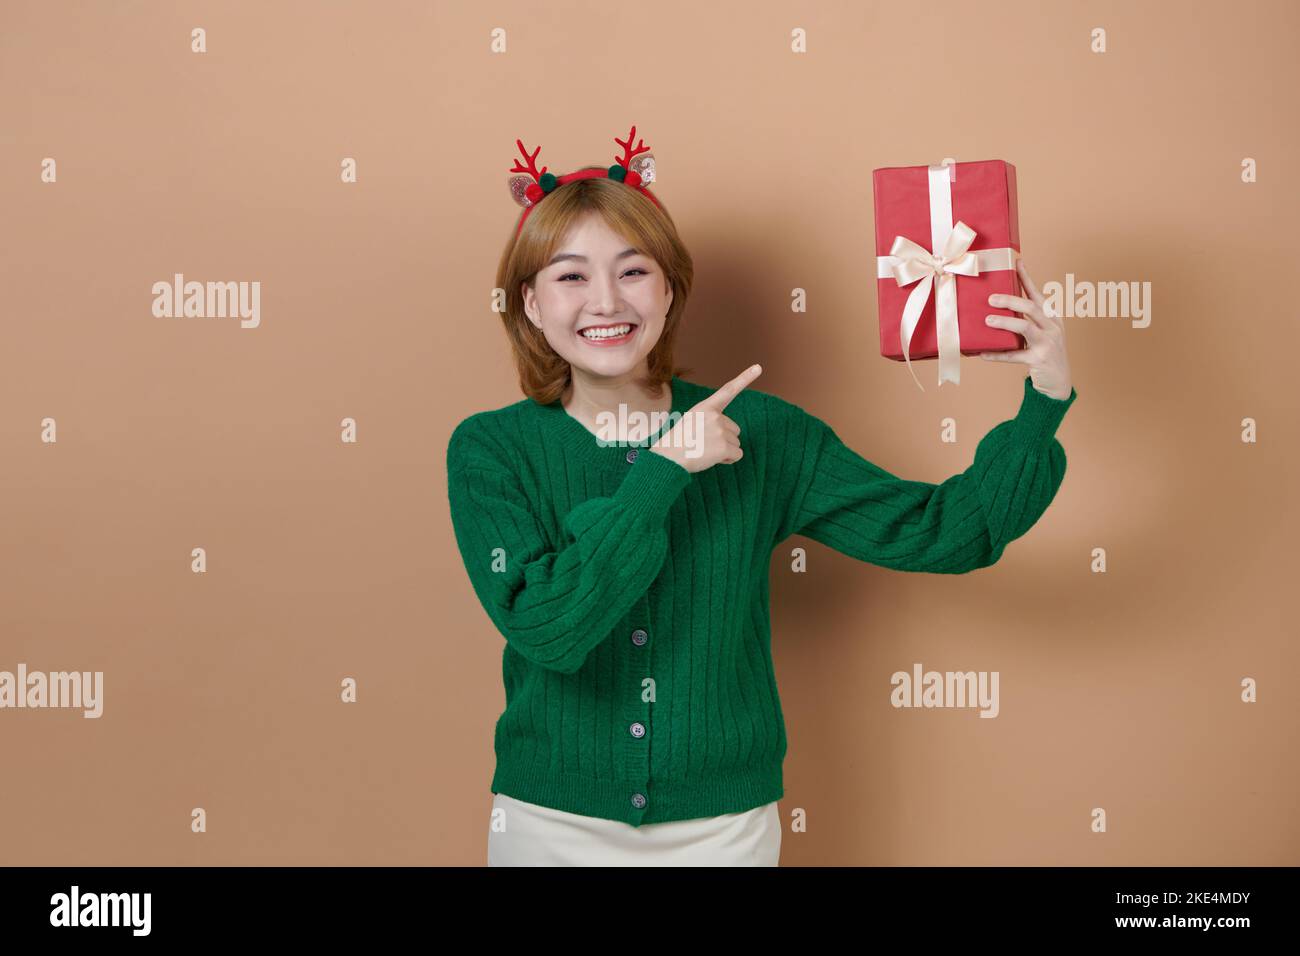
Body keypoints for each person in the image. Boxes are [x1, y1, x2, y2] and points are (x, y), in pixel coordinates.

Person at [446, 127, 1077, 866]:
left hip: (724, 829)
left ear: (670, 288)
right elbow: (551, 628)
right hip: (548, 824)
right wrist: (664, 471)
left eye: (633, 271)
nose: (606, 301)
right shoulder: (489, 449)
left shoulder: (766, 433)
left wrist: (1046, 397)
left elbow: (945, 532)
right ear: (529, 303)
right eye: (571, 276)